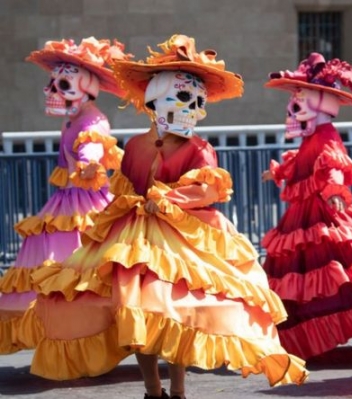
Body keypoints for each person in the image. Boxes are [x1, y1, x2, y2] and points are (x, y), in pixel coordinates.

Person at [29, 35, 308, 399]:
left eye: (197, 101)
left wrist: (169, 198)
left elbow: (208, 190)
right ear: (154, 101)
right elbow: (125, 184)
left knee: (174, 313)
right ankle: (152, 390)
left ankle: (177, 391)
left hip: (182, 239)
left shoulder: (200, 149)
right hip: (133, 241)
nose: (190, 107)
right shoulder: (134, 146)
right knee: (136, 313)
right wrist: (132, 200)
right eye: (181, 98)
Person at [261, 53, 352, 359]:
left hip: (323, 211)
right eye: (294, 103)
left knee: (343, 269)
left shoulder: (325, 135)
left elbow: (332, 164)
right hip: (306, 213)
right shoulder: (313, 136)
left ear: (319, 106)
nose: (293, 110)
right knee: (317, 272)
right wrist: (279, 171)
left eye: (300, 103)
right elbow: (304, 163)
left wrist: (333, 191)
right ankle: (305, 336)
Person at [0, 37, 128, 354]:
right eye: (52, 83)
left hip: (87, 204)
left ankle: (88, 337)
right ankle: (66, 334)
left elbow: (94, 146)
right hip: (68, 201)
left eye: (62, 84)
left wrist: (90, 162)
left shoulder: (92, 119)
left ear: (84, 88)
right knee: (57, 269)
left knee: (79, 270)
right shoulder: (74, 117)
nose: (51, 91)